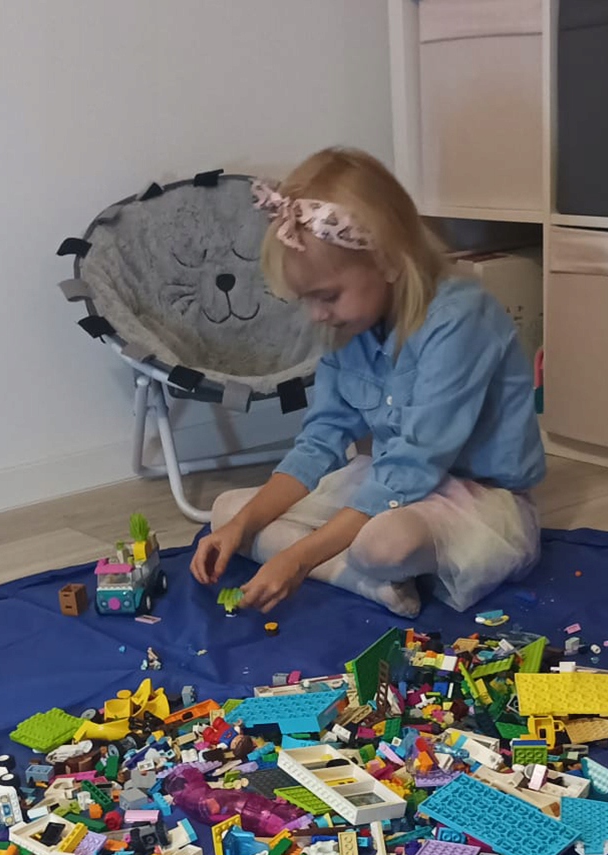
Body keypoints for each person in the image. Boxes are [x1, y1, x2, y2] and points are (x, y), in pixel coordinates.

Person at [190, 147, 546, 618]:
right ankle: (359, 578)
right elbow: (320, 441)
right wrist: (242, 524)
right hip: (391, 482)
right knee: (227, 511)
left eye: (327, 296)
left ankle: (351, 568)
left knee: (382, 545)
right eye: (307, 299)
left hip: (481, 498)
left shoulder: (461, 318)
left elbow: (414, 462)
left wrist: (299, 558)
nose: (317, 314)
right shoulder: (347, 330)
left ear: (389, 261)